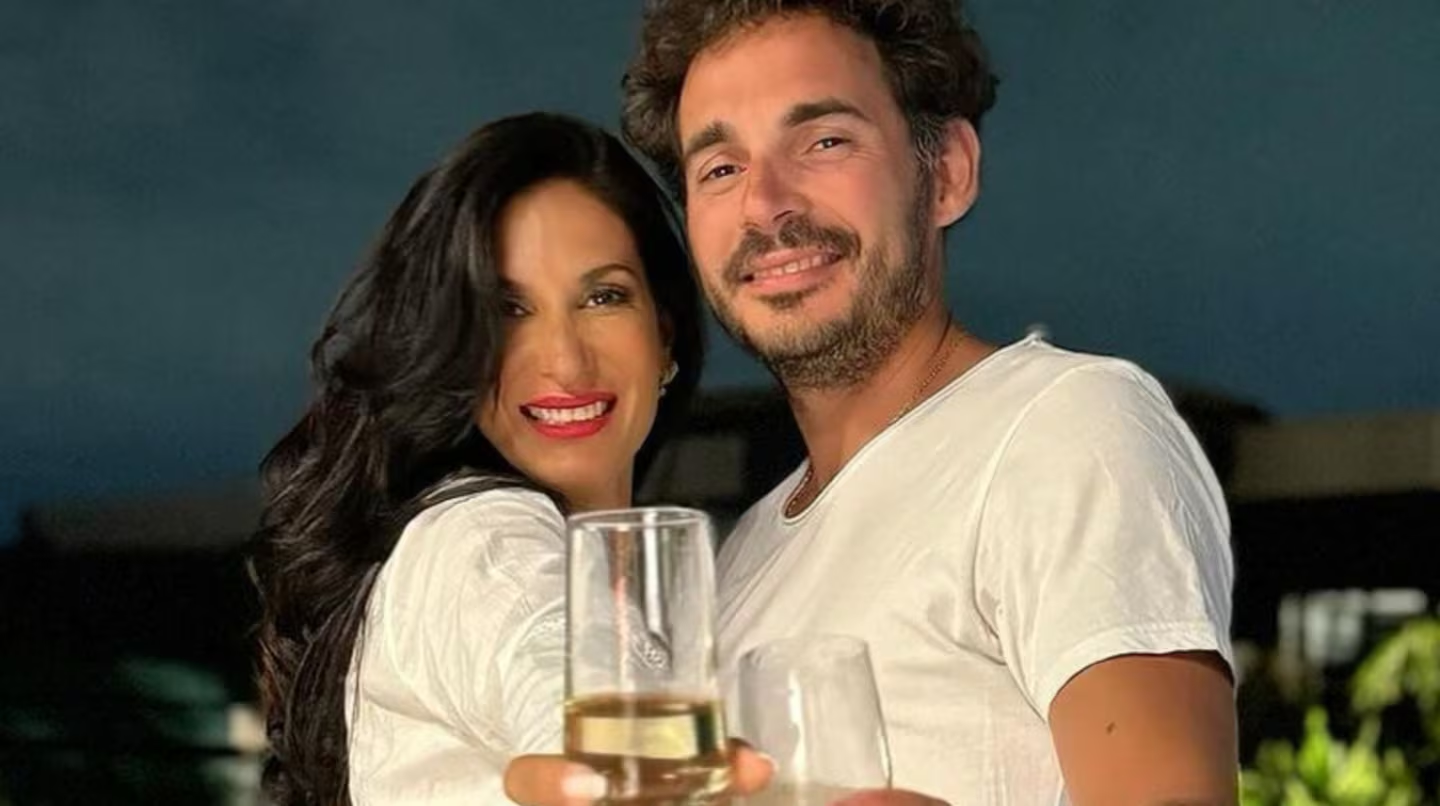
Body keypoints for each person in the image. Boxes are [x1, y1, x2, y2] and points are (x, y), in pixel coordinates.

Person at [507, 1, 1238, 805]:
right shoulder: (743, 560)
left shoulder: (1064, 427)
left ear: (947, 172)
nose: (765, 204)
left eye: (823, 142)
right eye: (720, 169)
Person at [247, 112, 708, 806]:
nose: (566, 361)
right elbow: (551, 661)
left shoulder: (588, 569)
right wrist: (614, 764)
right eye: (508, 310)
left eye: (603, 297)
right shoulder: (485, 538)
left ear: (663, 335)